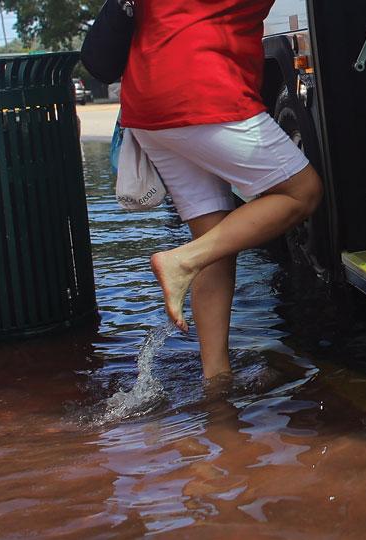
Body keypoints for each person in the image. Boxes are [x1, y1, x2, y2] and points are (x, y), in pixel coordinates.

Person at [120, 0, 322, 380]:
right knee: (303, 191)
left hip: (147, 100)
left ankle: (217, 382)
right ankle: (180, 261)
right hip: (201, 94)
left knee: (215, 242)